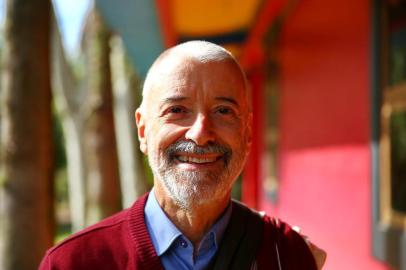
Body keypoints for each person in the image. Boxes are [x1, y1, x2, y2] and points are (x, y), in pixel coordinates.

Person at [39, 41, 326, 270]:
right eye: (177, 110)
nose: (200, 133)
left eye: (223, 111)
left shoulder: (283, 253)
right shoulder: (73, 263)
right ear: (143, 131)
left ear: (247, 132)